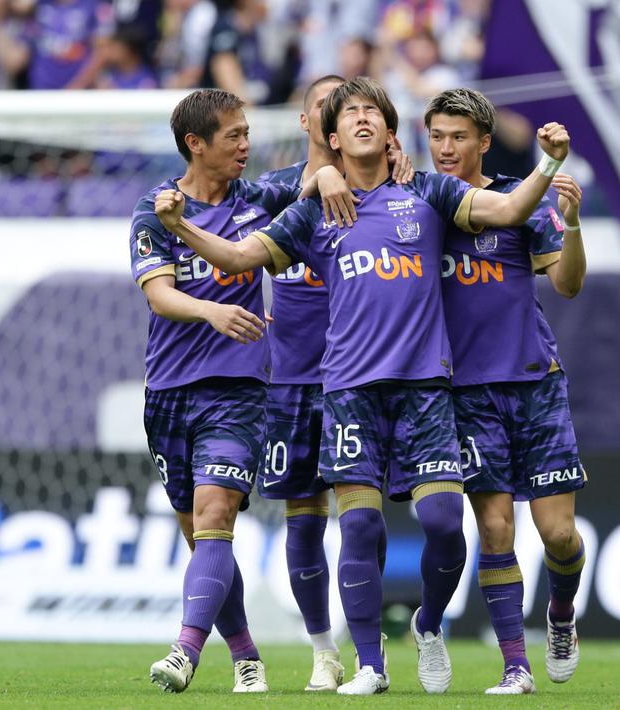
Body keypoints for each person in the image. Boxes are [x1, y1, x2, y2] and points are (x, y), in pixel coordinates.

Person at [152, 76, 570, 695]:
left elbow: (508, 211)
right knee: (360, 528)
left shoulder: (425, 190)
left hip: (426, 388)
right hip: (345, 389)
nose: (362, 120)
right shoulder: (312, 210)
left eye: (373, 111)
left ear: (391, 130)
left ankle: (428, 623)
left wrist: (550, 162)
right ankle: (369, 665)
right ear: (332, 134)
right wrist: (183, 229)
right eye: (349, 114)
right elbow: (239, 259)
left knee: (444, 522)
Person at [133, 88, 353, 694]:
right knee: (201, 534)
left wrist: (334, 167)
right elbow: (158, 294)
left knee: (216, 513)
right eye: (233, 136)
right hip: (169, 392)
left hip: (239, 390)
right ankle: (245, 652)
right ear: (195, 145)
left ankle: (182, 652)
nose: (246, 145)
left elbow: (320, 171)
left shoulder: (259, 198)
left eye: (247, 132)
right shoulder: (156, 211)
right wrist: (210, 311)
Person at [426, 88, 588, 695]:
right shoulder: (421, 208)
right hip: (466, 392)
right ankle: (516, 667)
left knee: (560, 538)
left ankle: (562, 614)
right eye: (438, 136)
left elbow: (568, 286)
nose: (446, 148)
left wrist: (570, 224)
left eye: (458, 137)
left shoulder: (521, 199)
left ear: (483, 142)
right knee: (495, 530)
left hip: (534, 383)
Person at [254, 73, 412, 692]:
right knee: (302, 518)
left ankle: (368, 644)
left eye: (350, 106)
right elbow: (232, 237)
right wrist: (318, 178)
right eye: (326, 105)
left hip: (368, 373)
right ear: (308, 122)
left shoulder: (393, 179)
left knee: (365, 517)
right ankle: (322, 648)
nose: (338, 114)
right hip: (294, 375)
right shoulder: (276, 190)